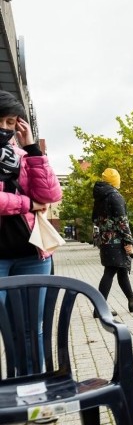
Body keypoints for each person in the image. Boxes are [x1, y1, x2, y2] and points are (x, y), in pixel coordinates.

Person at [0, 90, 63, 373]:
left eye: (11, 122)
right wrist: (27, 203)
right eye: (0, 121)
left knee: (30, 329)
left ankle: (32, 390)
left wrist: (33, 149)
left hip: (31, 254)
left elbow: (49, 195)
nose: (5, 128)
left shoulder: (23, 156)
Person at [92, 168, 133, 315]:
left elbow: (95, 220)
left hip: (105, 239)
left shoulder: (100, 197)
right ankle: (99, 308)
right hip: (116, 240)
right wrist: (128, 240)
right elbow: (122, 221)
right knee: (110, 271)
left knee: (121, 270)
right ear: (116, 180)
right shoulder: (115, 196)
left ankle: (132, 299)